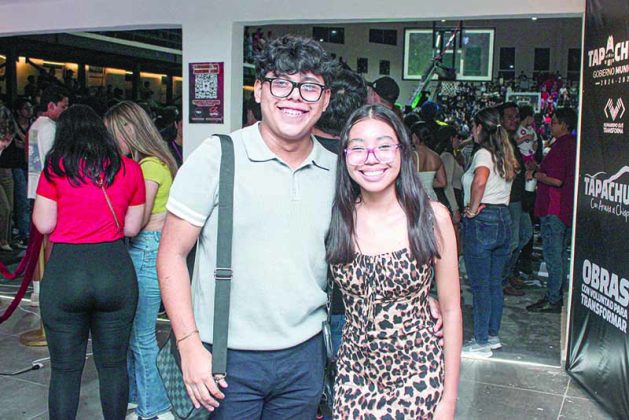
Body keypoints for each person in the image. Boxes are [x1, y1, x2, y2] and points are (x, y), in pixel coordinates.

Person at [157, 35, 445, 418]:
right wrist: (189, 343)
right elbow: (171, 254)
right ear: (259, 90)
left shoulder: (338, 173)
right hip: (226, 358)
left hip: (307, 356)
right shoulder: (218, 157)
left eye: (309, 87)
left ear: (324, 100)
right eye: (281, 83)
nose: (294, 97)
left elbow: (373, 239)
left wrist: (412, 296)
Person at [327, 104, 461, 418]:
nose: (371, 157)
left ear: (402, 151)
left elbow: (452, 310)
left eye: (384, 146)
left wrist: (449, 400)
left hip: (417, 375)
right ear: (344, 155)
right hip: (354, 375)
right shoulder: (336, 217)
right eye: (358, 148)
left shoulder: (431, 218)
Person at [32, 104, 145, 419]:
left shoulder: (55, 169)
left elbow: (43, 223)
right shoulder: (129, 168)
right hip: (114, 270)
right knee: (113, 366)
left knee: (65, 370)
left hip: (67, 272)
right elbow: (132, 228)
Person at [104, 101, 178, 420]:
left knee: (142, 335)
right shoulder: (156, 162)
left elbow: (140, 217)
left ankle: (154, 408)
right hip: (148, 248)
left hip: (146, 248)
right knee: (137, 334)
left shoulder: (149, 167)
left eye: (113, 133)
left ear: (129, 130)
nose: (111, 141)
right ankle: (138, 399)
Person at [461, 107, 519, 359]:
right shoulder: (504, 153)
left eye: (473, 126)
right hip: (503, 217)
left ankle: (481, 340)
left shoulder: (483, 154)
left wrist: (473, 209)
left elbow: (480, 180)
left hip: (483, 220)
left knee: (480, 285)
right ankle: (492, 335)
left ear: (480, 128)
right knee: (495, 283)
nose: (471, 131)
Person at [526, 107, 577, 313]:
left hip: (553, 207)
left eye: (554, 122)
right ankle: (556, 295)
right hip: (565, 207)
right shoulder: (573, 145)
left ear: (564, 125)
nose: (551, 125)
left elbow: (556, 180)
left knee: (553, 255)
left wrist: (536, 175)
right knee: (560, 254)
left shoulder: (561, 146)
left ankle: (553, 297)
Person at [27, 85, 69, 305]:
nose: (65, 111)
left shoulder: (34, 125)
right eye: (63, 106)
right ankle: (49, 286)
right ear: (51, 105)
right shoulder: (51, 128)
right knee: (51, 241)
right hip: (49, 191)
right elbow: (54, 162)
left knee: (37, 244)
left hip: (34, 188)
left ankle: (36, 288)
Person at [497, 102, 531, 297]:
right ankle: (502, 280)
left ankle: (508, 274)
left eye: (516, 116)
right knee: (512, 241)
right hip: (509, 199)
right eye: (509, 117)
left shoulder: (511, 140)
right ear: (501, 120)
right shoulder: (500, 142)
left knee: (524, 235)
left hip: (519, 197)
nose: (514, 120)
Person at [410, 121, 447, 201]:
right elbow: (442, 183)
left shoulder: (412, 155)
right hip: (432, 198)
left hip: (417, 197)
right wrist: (427, 182)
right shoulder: (436, 156)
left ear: (415, 136)